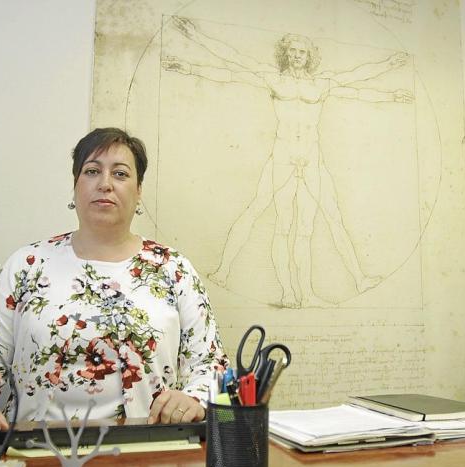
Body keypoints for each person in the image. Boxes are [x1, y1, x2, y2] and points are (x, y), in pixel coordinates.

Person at [0, 127, 228, 431]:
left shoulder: (172, 268)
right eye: (92, 171)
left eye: (120, 174)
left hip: (149, 445)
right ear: (75, 186)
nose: (105, 184)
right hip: (35, 447)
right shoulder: (28, 265)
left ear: (139, 191)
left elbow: (210, 364)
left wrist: (194, 399)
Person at [163, 18, 413, 308]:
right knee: (269, 217)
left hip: (312, 159)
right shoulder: (274, 79)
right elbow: (232, 66)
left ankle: (348, 282)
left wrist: (391, 81)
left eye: (302, 51)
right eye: (292, 50)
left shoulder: (321, 83)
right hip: (283, 157)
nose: (297, 55)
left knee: (323, 221)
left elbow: (356, 83)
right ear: (285, 53)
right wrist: (190, 57)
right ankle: (232, 273)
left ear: (309, 56)